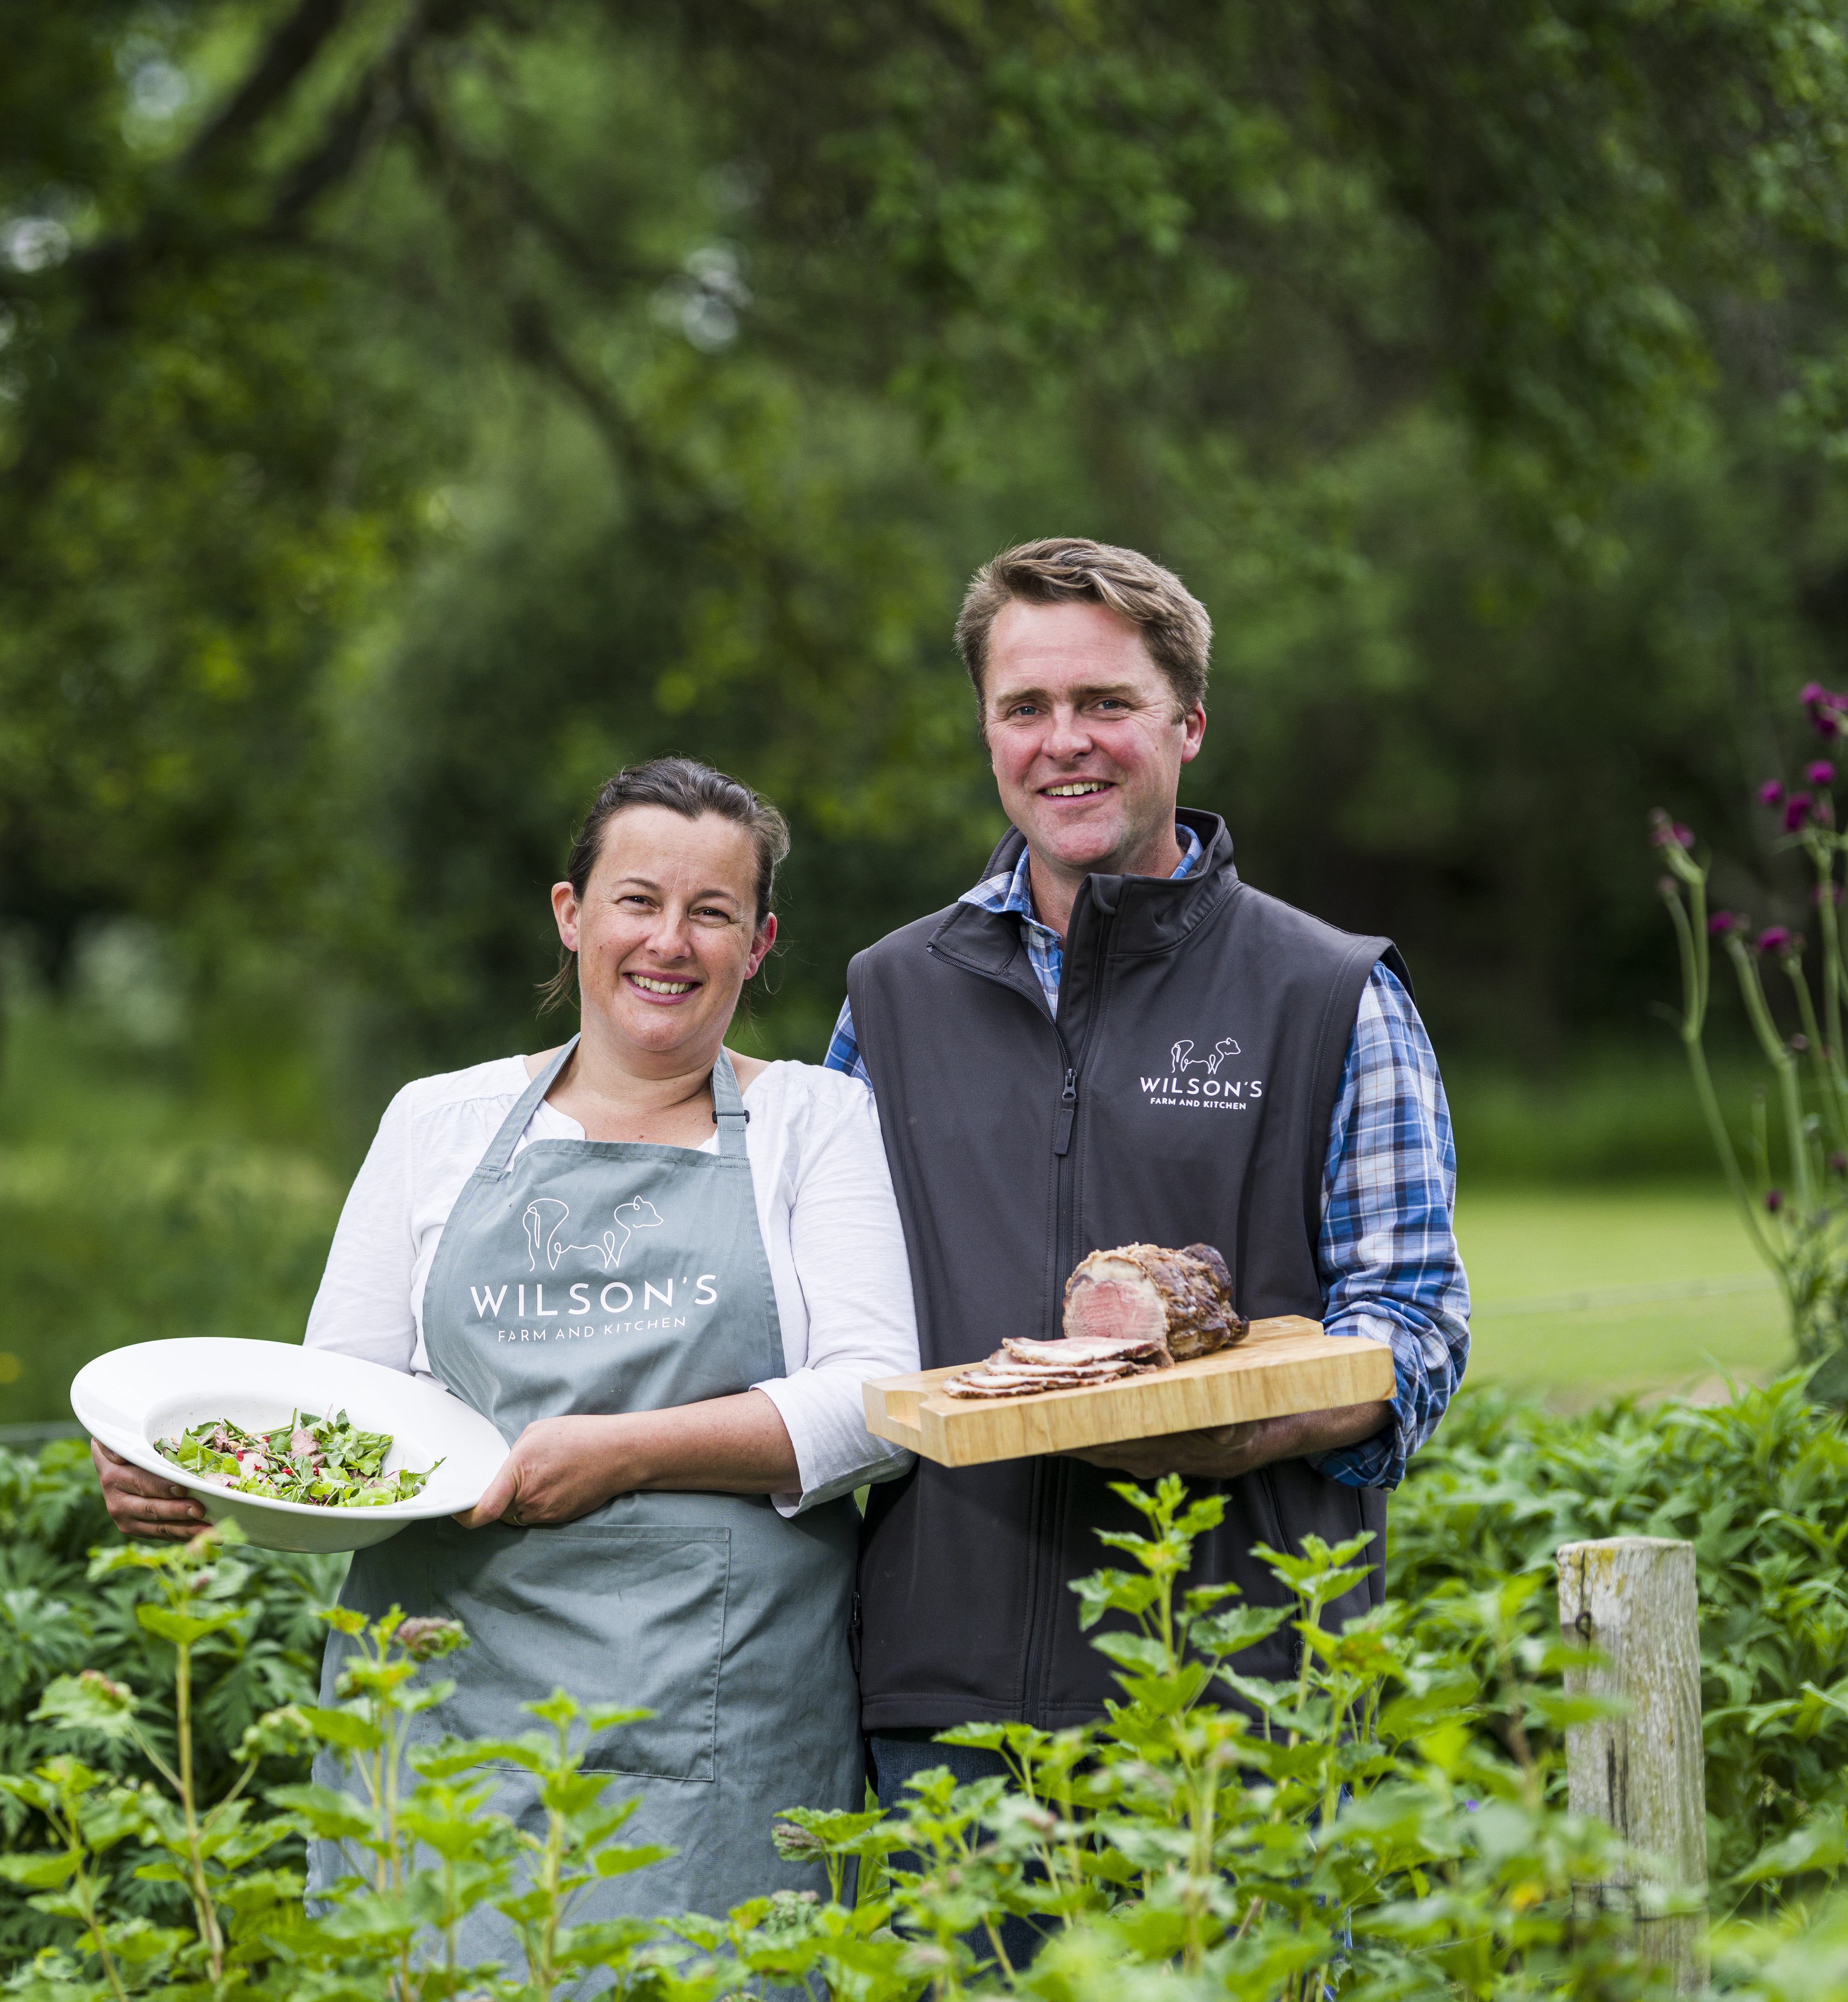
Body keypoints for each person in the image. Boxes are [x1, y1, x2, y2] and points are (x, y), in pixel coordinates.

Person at [97, 756, 921, 1933]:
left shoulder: (816, 1122)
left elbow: (874, 1403)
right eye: (637, 900)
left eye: (712, 912)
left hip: (713, 1710)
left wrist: (624, 1452)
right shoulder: (436, 1121)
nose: (669, 941)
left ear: (759, 941)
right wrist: (186, 1467)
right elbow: (342, 1408)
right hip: (445, 1700)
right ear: (571, 913)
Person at [830, 537, 1471, 1829]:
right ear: (987, 728)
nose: (1062, 740)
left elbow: (1413, 1326)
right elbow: (823, 1320)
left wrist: (1255, 1424)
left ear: (1185, 722)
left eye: (1104, 703)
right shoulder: (887, 999)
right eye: (1026, 707)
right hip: (943, 1701)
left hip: (1239, 1692)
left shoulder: (1330, 992)